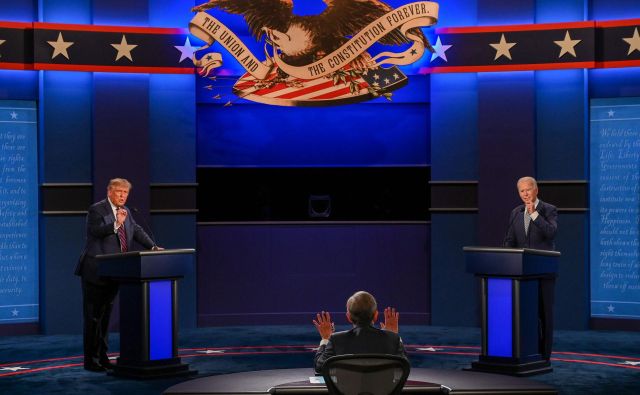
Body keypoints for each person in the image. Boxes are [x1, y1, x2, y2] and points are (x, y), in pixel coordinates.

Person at [74, 178, 160, 372]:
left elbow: (136, 231)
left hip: (115, 271)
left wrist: (152, 247)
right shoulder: (97, 209)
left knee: (105, 319)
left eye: (125, 193)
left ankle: (103, 357)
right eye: (119, 192)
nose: (122, 196)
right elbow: (95, 231)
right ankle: (91, 361)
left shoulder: (127, 212)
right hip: (95, 271)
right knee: (93, 318)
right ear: (109, 192)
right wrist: (116, 223)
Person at [503, 176, 557, 359]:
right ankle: (528, 351)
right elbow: (510, 240)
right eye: (521, 191)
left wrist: (534, 214)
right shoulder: (516, 212)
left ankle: (545, 356)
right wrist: (505, 258)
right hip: (521, 273)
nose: (525, 194)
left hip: (543, 272)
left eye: (528, 189)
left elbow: (551, 233)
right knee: (525, 314)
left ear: (536, 190)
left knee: (544, 314)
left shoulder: (548, 210)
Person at [313, 291, 407, 374]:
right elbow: (404, 367)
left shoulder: (336, 339)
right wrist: (393, 335)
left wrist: (325, 339)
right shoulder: (392, 339)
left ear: (348, 317)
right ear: (376, 315)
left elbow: (320, 367)